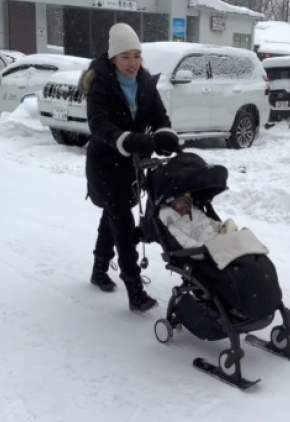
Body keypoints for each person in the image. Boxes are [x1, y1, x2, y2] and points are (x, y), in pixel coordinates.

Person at [78, 23, 180, 312]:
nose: (133, 63)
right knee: (121, 221)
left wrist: (165, 135)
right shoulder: (99, 82)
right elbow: (98, 124)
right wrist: (130, 139)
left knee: (113, 215)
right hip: (105, 163)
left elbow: (159, 115)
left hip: (131, 164)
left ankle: (99, 270)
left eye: (137, 55)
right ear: (113, 58)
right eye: (126, 57)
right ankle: (134, 289)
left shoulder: (145, 81)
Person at [159, 194, 238, 249]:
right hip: (203, 249)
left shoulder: (197, 213)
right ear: (173, 211)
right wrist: (209, 247)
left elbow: (212, 224)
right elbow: (187, 243)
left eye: (185, 205)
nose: (184, 209)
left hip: (217, 241)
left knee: (232, 226)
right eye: (179, 208)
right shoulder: (173, 226)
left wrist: (223, 227)